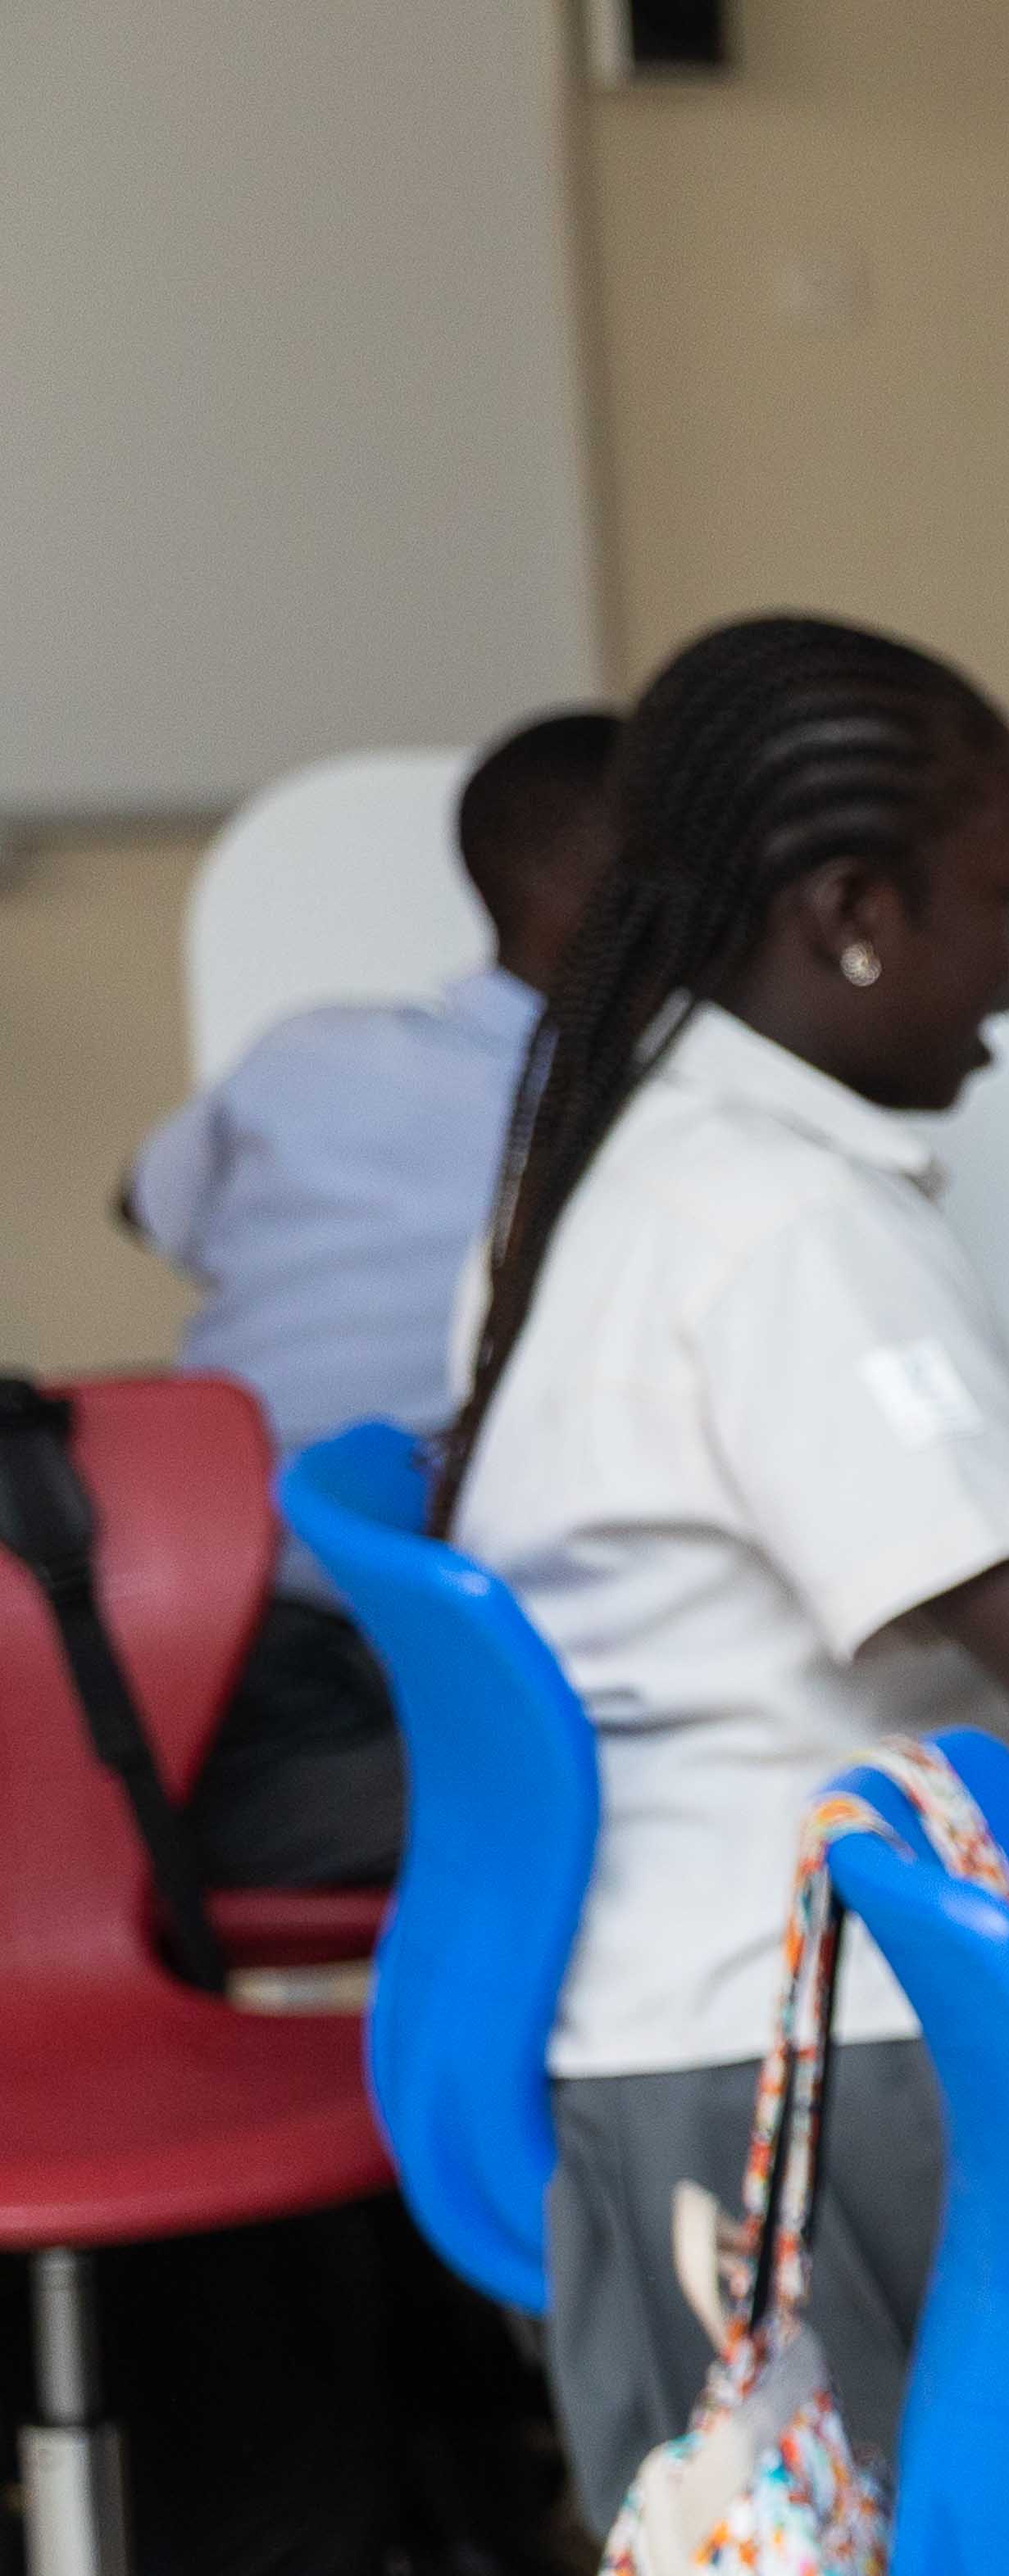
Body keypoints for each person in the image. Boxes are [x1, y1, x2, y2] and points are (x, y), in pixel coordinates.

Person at [445, 615, 1009, 2519]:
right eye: (1005, 897)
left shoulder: (622, 1144)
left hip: (697, 2026)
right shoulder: (792, 1227)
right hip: (819, 2062)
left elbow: (981, 1566)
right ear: (850, 909)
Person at [123, 704, 620, 1889]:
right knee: (647, 1809)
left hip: (182, 1634)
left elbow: (145, 1207)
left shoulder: (307, 1054)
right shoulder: (637, 1119)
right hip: (383, 1662)